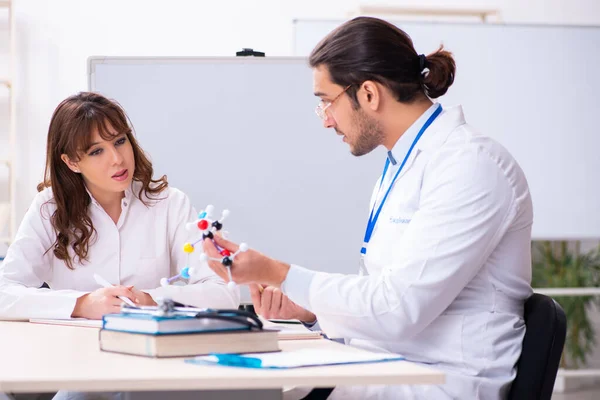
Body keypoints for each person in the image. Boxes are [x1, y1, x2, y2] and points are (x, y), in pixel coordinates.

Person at [203, 16, 533, 400]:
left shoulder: (470, 166)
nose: (326, 120)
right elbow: (384, 295)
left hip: (442, 384)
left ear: (370, 94)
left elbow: (399, 310)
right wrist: (309, 311)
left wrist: (278, 273)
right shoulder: (404, 162)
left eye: (327, 102)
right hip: (392, 365)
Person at [0, 92, 240, 321]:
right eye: (96, 151)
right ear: (72, 162)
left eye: (120, 141)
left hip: (148, 347)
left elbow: (224, 292)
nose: (117, 158)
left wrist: (150, 299)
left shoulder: (170, 203)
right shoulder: (50, 208)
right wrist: (82, 304)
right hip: (72, 351)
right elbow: (4, 294)